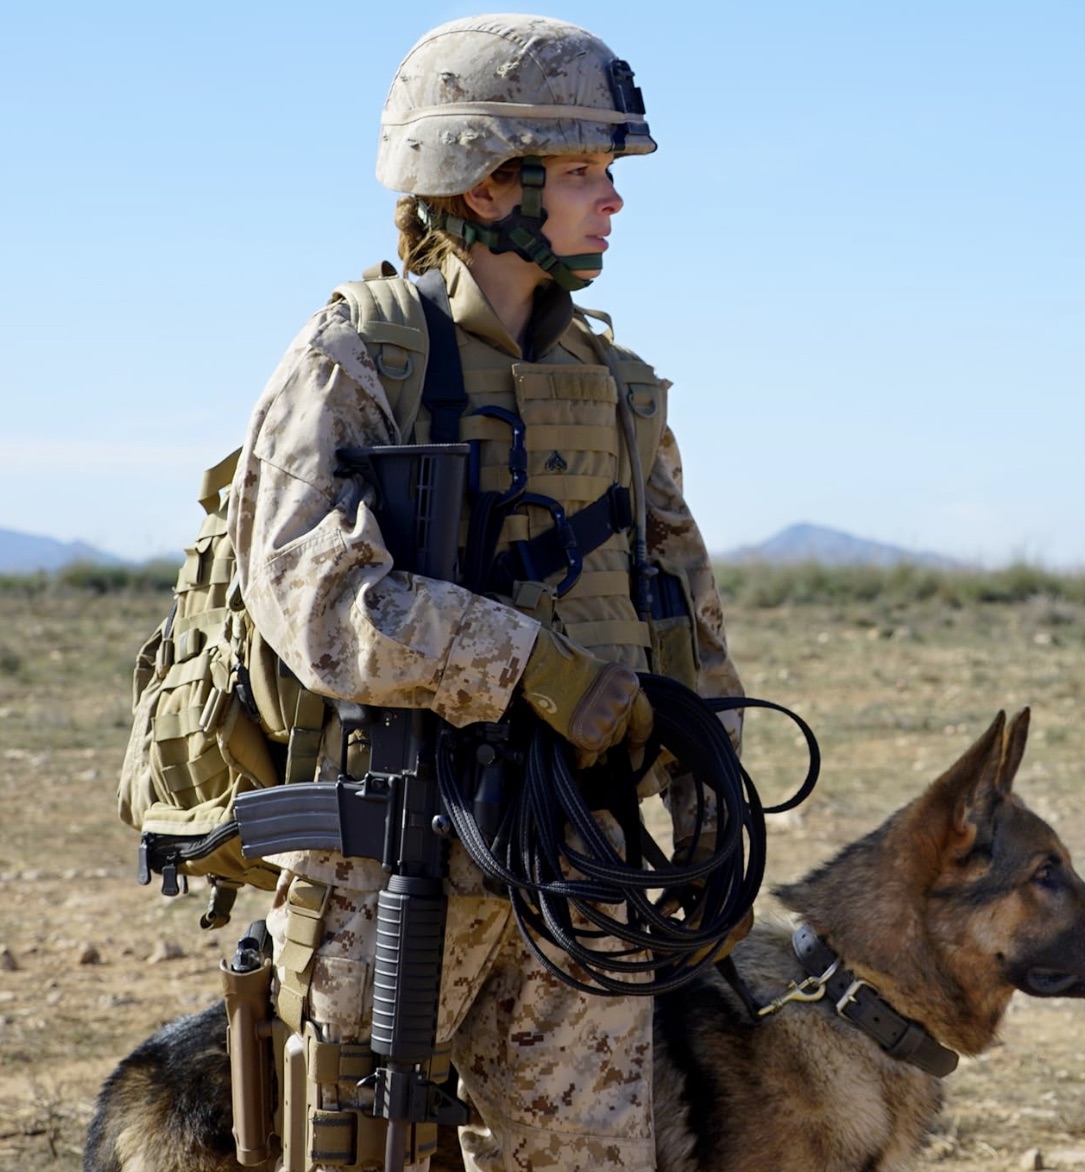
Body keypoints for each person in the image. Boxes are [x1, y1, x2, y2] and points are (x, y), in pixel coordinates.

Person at [227, 14, 742, 1170]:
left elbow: (679, 608)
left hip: (581, 854)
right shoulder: (354, 357)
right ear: (481, 181)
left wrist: (710, 806)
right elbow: (317, 596)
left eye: (608, 173)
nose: (611, 201)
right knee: (367, 1145)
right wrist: (537, 670)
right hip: (392, 849)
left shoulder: (614, 386)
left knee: (592, 1155)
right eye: (580, 173)